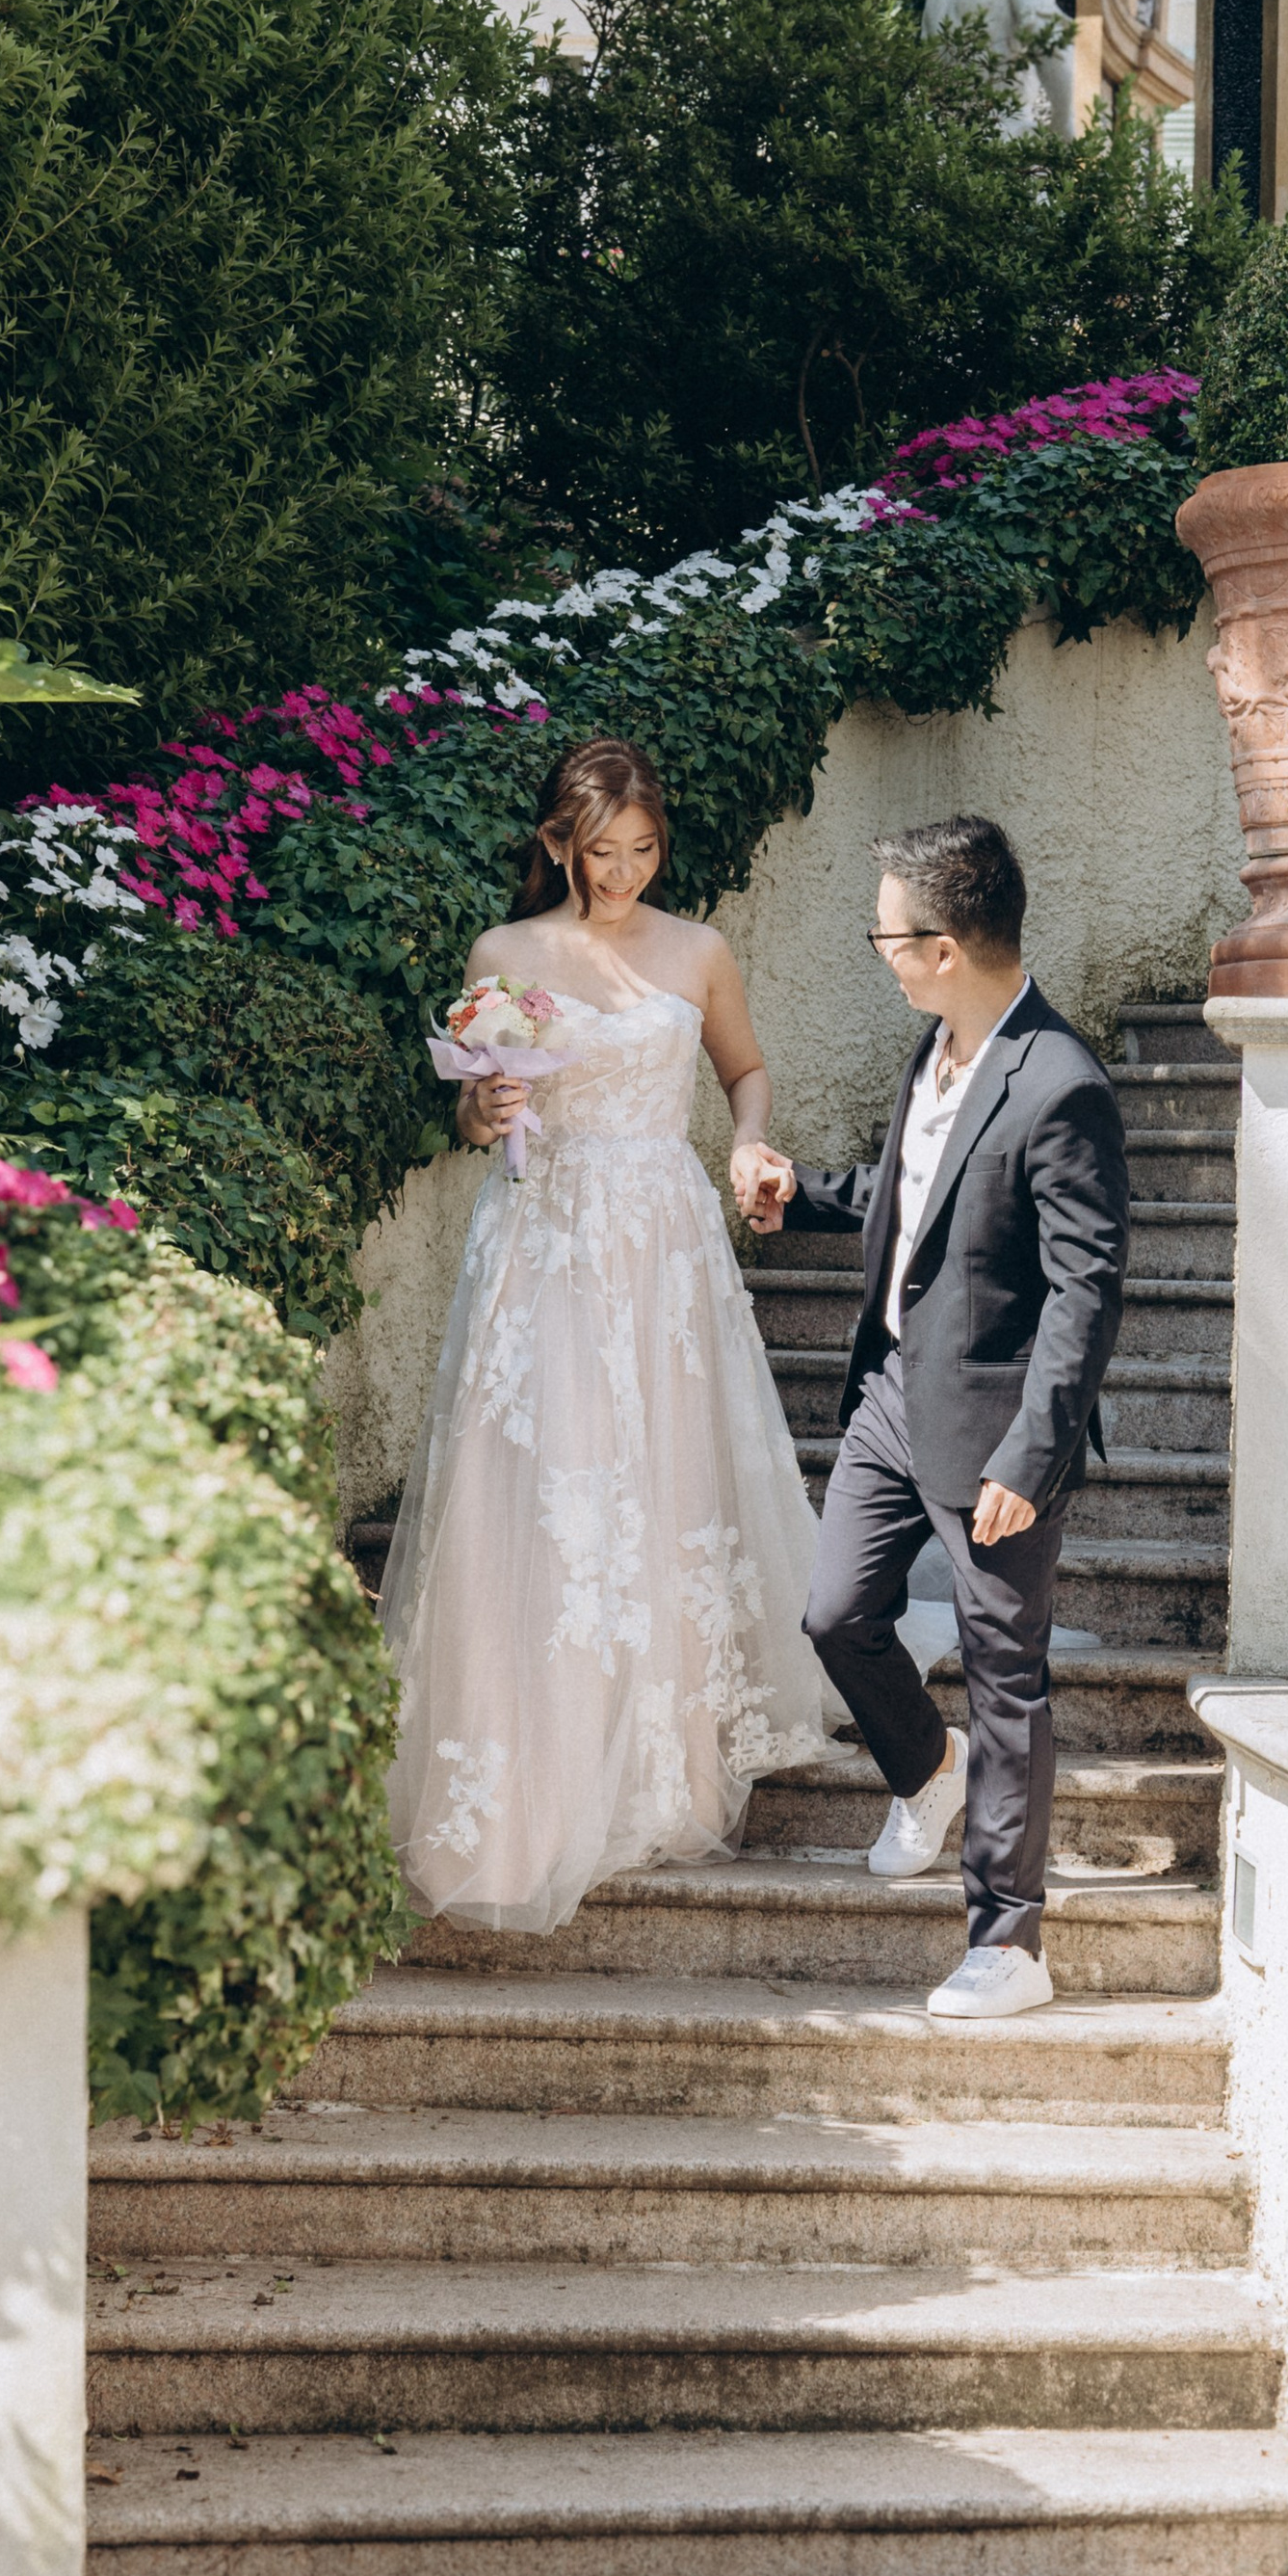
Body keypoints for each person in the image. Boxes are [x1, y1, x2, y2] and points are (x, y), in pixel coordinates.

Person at [381, 735, 830, 1930]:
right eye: (600, 852)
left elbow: (744, 1072)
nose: (622, 873)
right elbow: (478, 1117)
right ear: (557, 844)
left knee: (661, 1482)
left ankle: (663, 1774)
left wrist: (746, 1142)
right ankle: (524, 1796)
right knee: (535, 1490)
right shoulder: (505, 955)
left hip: (661, 1241)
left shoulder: (698, 950)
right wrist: (486, 1107)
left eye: (641, 850)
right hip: (544, 1241)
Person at [742, 816, 1129, 2020]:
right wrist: (804, 1193)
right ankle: (924, 1765)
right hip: (891, 1397)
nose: (882, 953)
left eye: (886, 936)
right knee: (835, 1613)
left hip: (997, 1430)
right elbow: (916, 1204)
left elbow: (1085, 1291)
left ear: (945, 948)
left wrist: (1033, 1454)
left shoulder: (1060, 1084)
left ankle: (1009, 1941)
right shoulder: (939, 1050)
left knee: (1006, 1677)